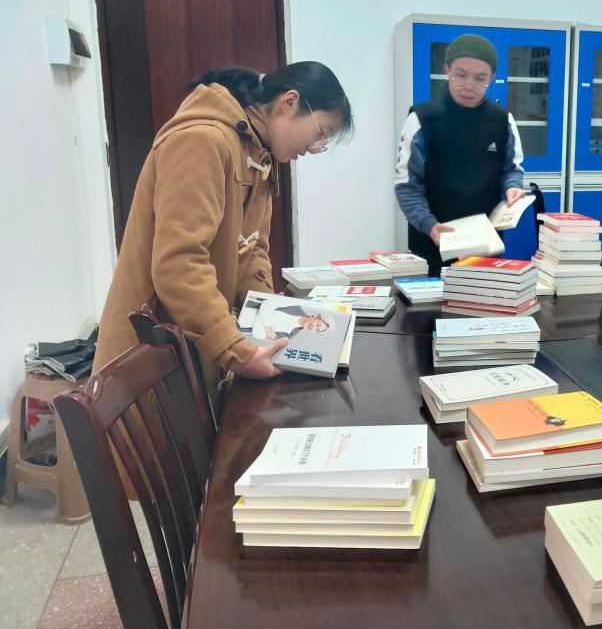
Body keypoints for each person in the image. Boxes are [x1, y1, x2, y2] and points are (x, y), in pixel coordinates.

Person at [94, 63, 353, 387]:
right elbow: (179, 265)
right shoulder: (201, 141)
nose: (314, 149)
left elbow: (251, 249)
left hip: (191, 348)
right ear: (289, 102)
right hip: (150, 358)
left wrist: (269, 316)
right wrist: (236, 350)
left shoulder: (258, 153)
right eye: (321, 133)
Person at [395, 34, 526, 273]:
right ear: (447, 71)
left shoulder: (502, 120)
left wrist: (513, 187)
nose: (469, 85)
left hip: (485, 247)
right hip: (430, 246)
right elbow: (407, 186)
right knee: (432, 297)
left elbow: (511, 169)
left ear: (491, 78)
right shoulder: (422, 119)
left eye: (480, 78)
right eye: (461, 75)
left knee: (484, 297)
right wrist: (428, 224)